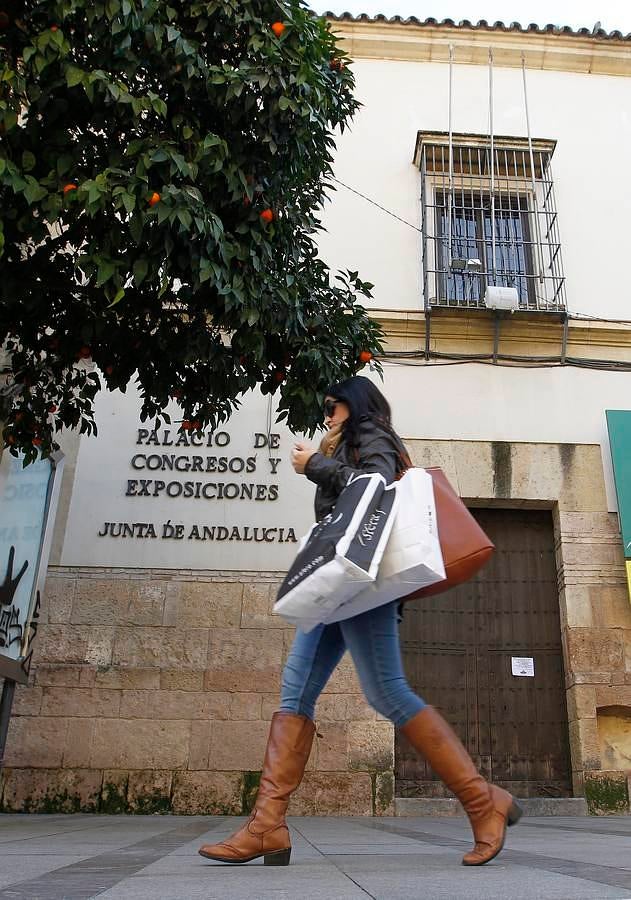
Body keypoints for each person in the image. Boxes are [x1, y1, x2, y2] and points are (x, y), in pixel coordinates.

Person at [198, 376, 521, 867]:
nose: (327, 414)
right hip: (338, 584)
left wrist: (314, 465)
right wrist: (324, 460)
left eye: (334, 406)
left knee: (387, 692)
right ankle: (267, 826)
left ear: (356, 405)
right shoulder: (350, 441)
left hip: (364, 585)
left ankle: (482, 802)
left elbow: (374, 488)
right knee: (295, 693)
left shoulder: (372, 434)